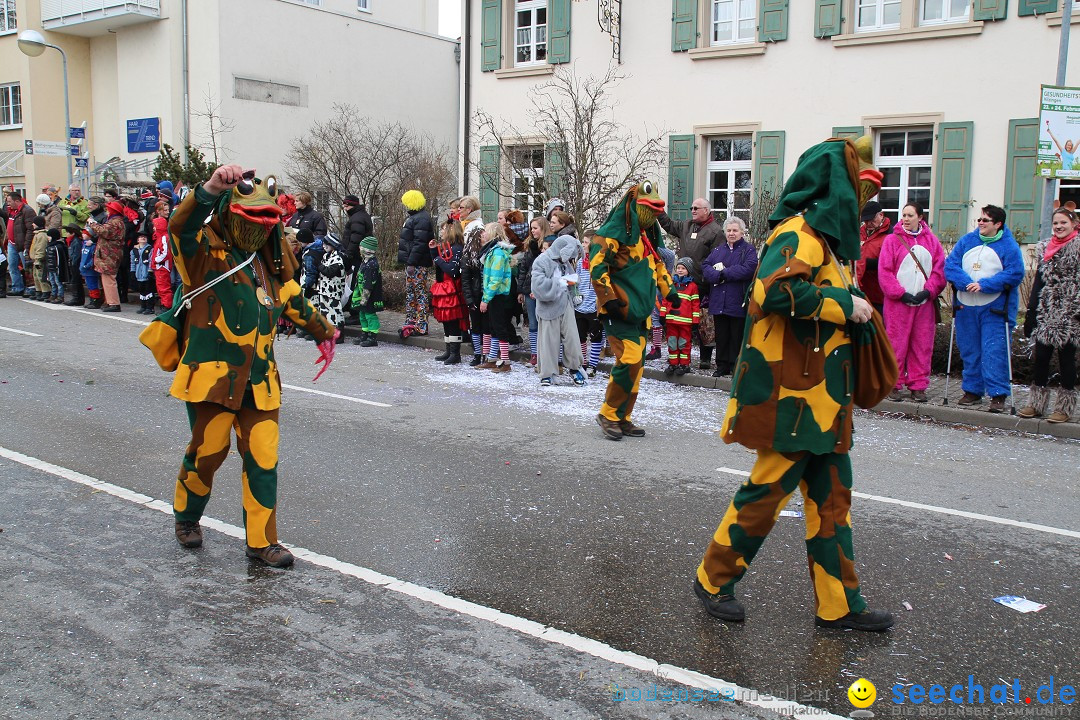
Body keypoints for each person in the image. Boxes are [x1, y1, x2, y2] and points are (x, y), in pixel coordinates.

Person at [694, 137, 894, 632]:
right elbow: (772, 290)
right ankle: (713, 577)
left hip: (821, 399)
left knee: (831, 503)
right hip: (793, 398)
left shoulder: (821, 240)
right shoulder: (800, 232)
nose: (863, 209)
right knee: (765, 492)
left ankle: (840, 603)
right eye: (858, 195)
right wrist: (845, 306)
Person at [138, 164, 339, 567]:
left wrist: (325, 332)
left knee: (263, 460)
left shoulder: (269, 264)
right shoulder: (202, 256)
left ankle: (263, 542)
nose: (263, 227)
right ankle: (187, 517)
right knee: (208, 453)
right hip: (212, 381)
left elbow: (294, 300)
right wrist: (209, 188)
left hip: (260, 383)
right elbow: (180, 226)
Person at [590, 180, 678, 440]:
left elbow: (658, 266)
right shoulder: (609, 235)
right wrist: (608, 299)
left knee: (636, 366)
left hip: (640, 312)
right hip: (619, 311)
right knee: (628, 359)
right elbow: (597, 267)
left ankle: (622, 417)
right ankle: (608, 413)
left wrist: (669, 291)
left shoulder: (646, 238)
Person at [944, 205, 1025, 413]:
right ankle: (972, 390)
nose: (980, 223)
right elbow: (951, 265)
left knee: (994, 350)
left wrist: (985, 285)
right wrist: (965, 282)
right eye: (979, 219)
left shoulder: (1009, 245)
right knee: (970, 350)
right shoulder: (967, 241)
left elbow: (1015, 273)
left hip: (995, 309)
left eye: (985, 220)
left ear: (998, 224)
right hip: (966, 306)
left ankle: (998, 394)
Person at [878, 202, 945, 403]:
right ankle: (892, 383)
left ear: (920, 217)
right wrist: (900, 293)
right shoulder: (892, 240)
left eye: (910, 215)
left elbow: (939, 271)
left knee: (922, 344)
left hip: (923, 304)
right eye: (903, 215)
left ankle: (918, 385)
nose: (906, 219)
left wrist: (929, 291)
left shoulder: (932, 242)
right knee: (895, 343)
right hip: (898, 304)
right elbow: (885, 271)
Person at [1020, 207, 1080, 422]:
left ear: (1073, 224)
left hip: (1070, 310)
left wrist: (1076, 310)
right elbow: (1039, 281)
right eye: (1056, 223)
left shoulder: (1078, 246)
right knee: (1041, 358)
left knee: (1066, 359)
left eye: (1063, 222)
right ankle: (1036, 404)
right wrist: (1031, 310)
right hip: (1047, 309)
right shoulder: (1046, 247)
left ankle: (1064, 408)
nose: (1059, 227)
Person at [657, 198, 724, 370]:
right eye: (691, 207)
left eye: (696, 208)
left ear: (707, 211)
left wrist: (709, 280)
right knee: (678, 322)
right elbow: (669, 225)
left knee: (703, 322)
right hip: (681, 284)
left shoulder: (716, 231)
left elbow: (717, 258)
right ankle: (676, 357)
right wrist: (658, 210)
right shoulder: (687, 225)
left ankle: (705, 358)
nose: (692, 210)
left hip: (702, 284)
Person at [701, 217, 759, 377]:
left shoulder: (748, 250)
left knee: (736, 335)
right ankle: (721, 365)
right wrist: (717, 276)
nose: (731, 233)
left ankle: (735, 365)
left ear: (742, 232)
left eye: (735, 230)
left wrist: (724, 273)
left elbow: (748, 268)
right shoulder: (718, 250)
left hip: (738, 300)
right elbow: (705, 266)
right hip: (719, 300)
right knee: (722, 335)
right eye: (729, 230)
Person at [532, 234, 587, 386]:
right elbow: (537, 286)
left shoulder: (564, 263)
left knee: (572, 339)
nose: (570, 260)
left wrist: (575, 292)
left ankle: (575, 368)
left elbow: (571, 280)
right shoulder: (541, 261)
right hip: (548, 307)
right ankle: (547, 373)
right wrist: (560, 283)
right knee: (548, 341)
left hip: (566, 305)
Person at [477, 222, 516, 372]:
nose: (483, 234)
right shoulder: (491, 251)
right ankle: (492, 358)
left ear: (493, 233)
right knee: (492, 326)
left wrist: (485, 299)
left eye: (485, 231)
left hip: (497, 295)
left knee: (499, 327)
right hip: (492, 293)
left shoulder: (498, 253)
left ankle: (505, 361)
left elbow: (495, 279)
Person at [398, 190, 434, 337]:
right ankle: (412, 321)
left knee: (419, 294)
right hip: (413, 262)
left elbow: (419, 243)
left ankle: (421, 325)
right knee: (411, 294)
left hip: (417, 263)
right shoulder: (416, 217)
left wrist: (411, 262)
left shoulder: (421, 219)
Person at [428, 221, 466, 363]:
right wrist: (434, 251)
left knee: (452, 320)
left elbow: (452, 269)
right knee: (445, 320)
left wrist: (437, 257)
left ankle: (455, 353)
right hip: (443, 287)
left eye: (443, 229)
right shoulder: (447, 247)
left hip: (451, 288)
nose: (441, 232)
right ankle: (449, 350)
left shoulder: (457, 248)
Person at [660, 258, 701, 376]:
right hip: (671, 321)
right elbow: (665, 301)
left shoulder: (692, 286)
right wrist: (663, 315)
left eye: (683, 268)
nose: (680, 270)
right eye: (678, 268)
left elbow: (695, 305)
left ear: (688, 271)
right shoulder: (671, 284)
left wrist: (695, 321)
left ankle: (684, 364)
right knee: (672, 343)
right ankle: (673, 364)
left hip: (685, 323)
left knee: (684, 343)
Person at [519, 217, 551, 366]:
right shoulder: (529, 245)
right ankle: (534, 353)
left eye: (536, 228)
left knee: (544, 322)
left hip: (543, 288)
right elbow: (523, 268)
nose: (533, 231)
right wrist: (521, 290)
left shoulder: (548, 245)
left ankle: (546, 354)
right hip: (529, 287)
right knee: (532, 322)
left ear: (543, 228)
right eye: (531, 228)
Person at [88, 200, 128, 312]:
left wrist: (92, 223)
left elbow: (103, 231)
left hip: (110, 253)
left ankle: (114, 303)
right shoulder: (115, 221)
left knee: (109, 278)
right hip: (109, 253)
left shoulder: (115, 222)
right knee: (106, 278)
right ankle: (109, 301)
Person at [460, 207, 488, 365]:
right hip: (475, 295)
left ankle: (485, 353)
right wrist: (469, 299)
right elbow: (465, 281)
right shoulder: (468, 257)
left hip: (486, 295)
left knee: (487, 327)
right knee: (476, 326)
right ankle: (477, 353)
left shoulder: (489, 253)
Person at [576, 231, 605, 377]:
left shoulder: (600, 262)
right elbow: (577, 280)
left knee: (596, 337)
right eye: (583, 242)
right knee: (580, 337)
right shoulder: (580, 261)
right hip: (580, 305)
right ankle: (584, 362)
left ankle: (593, 365)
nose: (583, 245)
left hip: (594, 307)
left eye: (586, 242)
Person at [855, 201, 890, 317]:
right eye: (865, 220)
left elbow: (893, 263)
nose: (868, 223)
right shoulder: (859, 232)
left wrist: (868, 264)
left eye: (871, 219)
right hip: (861, 292)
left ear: (881, 215)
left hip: (879, 295)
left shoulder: (891, 235)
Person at [350, 236, 385, 347]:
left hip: (369, 296)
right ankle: (364, 333)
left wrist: (364, 298)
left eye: (361, 247)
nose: (359, 249)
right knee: (362, 314)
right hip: (362, 294)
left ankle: (372, 336)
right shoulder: (365, 262)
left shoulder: (371, 265)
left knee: (370, 315)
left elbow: (369, 284)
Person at [313, 234, 348, 340]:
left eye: (326, 244)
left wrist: (318, 265)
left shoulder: (338, 258)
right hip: (324, 290)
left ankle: (338, 334)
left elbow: (330, 272)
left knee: (335, 312)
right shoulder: (326, 256)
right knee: (324, 312)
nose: (324, 246)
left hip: (333, 291)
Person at [6, 192, 36, 295]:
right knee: (12, 266)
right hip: (12, 243)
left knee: (27, 267)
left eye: (9, 201)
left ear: (17, 201)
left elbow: (30, 230)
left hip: (22, 244)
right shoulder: (11, 211)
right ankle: (17, 287)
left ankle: (31, 288)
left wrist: (26, 245)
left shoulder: (27, 211)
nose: (7, 203)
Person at [151, 201, 173, 311]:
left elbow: (165, 252)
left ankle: (166, 306)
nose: (153, 228)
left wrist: (155, 260)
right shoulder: (160, 236)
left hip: (162, 265)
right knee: (161, 287)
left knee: (164, 287)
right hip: (160, 265)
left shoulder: (164, 237)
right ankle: (164, 305)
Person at [341, 194, 373, 270]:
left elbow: (356, 238)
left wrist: (348, 254)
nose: (345, 209)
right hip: (360, 253)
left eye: (346, 206)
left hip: (356, 255)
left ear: (353, 206)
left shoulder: (357, 218)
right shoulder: (361, 215)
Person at [130, 233, 155, 314]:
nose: (143, 238)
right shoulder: (134, 250)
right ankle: (143, 306)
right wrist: (132, 272)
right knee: (142, 291)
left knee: (149, 291)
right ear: (137, 240)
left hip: (147, 273)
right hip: (138, 274)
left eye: (145, 237)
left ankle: (150, 307)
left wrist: (150, 271)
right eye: (141, 237)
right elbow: (133, 263)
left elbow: (151, 261)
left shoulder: (150, 249)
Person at [78, 229, 102, 308]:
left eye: (85, 234)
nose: (83, 235)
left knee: (93, 285)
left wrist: (88, 265)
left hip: (90, 269)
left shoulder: (93, 246)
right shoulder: (84, 245)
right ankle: (92, 299)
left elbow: (93, 258)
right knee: (89, 285)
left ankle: (95, 300)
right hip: (85, 269)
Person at [29, 216, 51, 301]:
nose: (32, 224)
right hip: (35, 259)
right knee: (36, 276)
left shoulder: (41, 235)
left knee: (41, 276)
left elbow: (40, 248)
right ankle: (39, 291)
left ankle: (45, 291)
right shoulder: (37, 234)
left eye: (34, 223)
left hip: (39, 260)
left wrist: (38, 259)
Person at [45, 228, 68, 304]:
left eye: (49, 236)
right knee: (52, 281)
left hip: (56, 268)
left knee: (58, 282)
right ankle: (53, 294)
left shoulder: (58, 247)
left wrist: (58, 267)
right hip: (50, 268)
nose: (47, 238)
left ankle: (60, 296)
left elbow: (59, 258)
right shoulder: (48, 247)